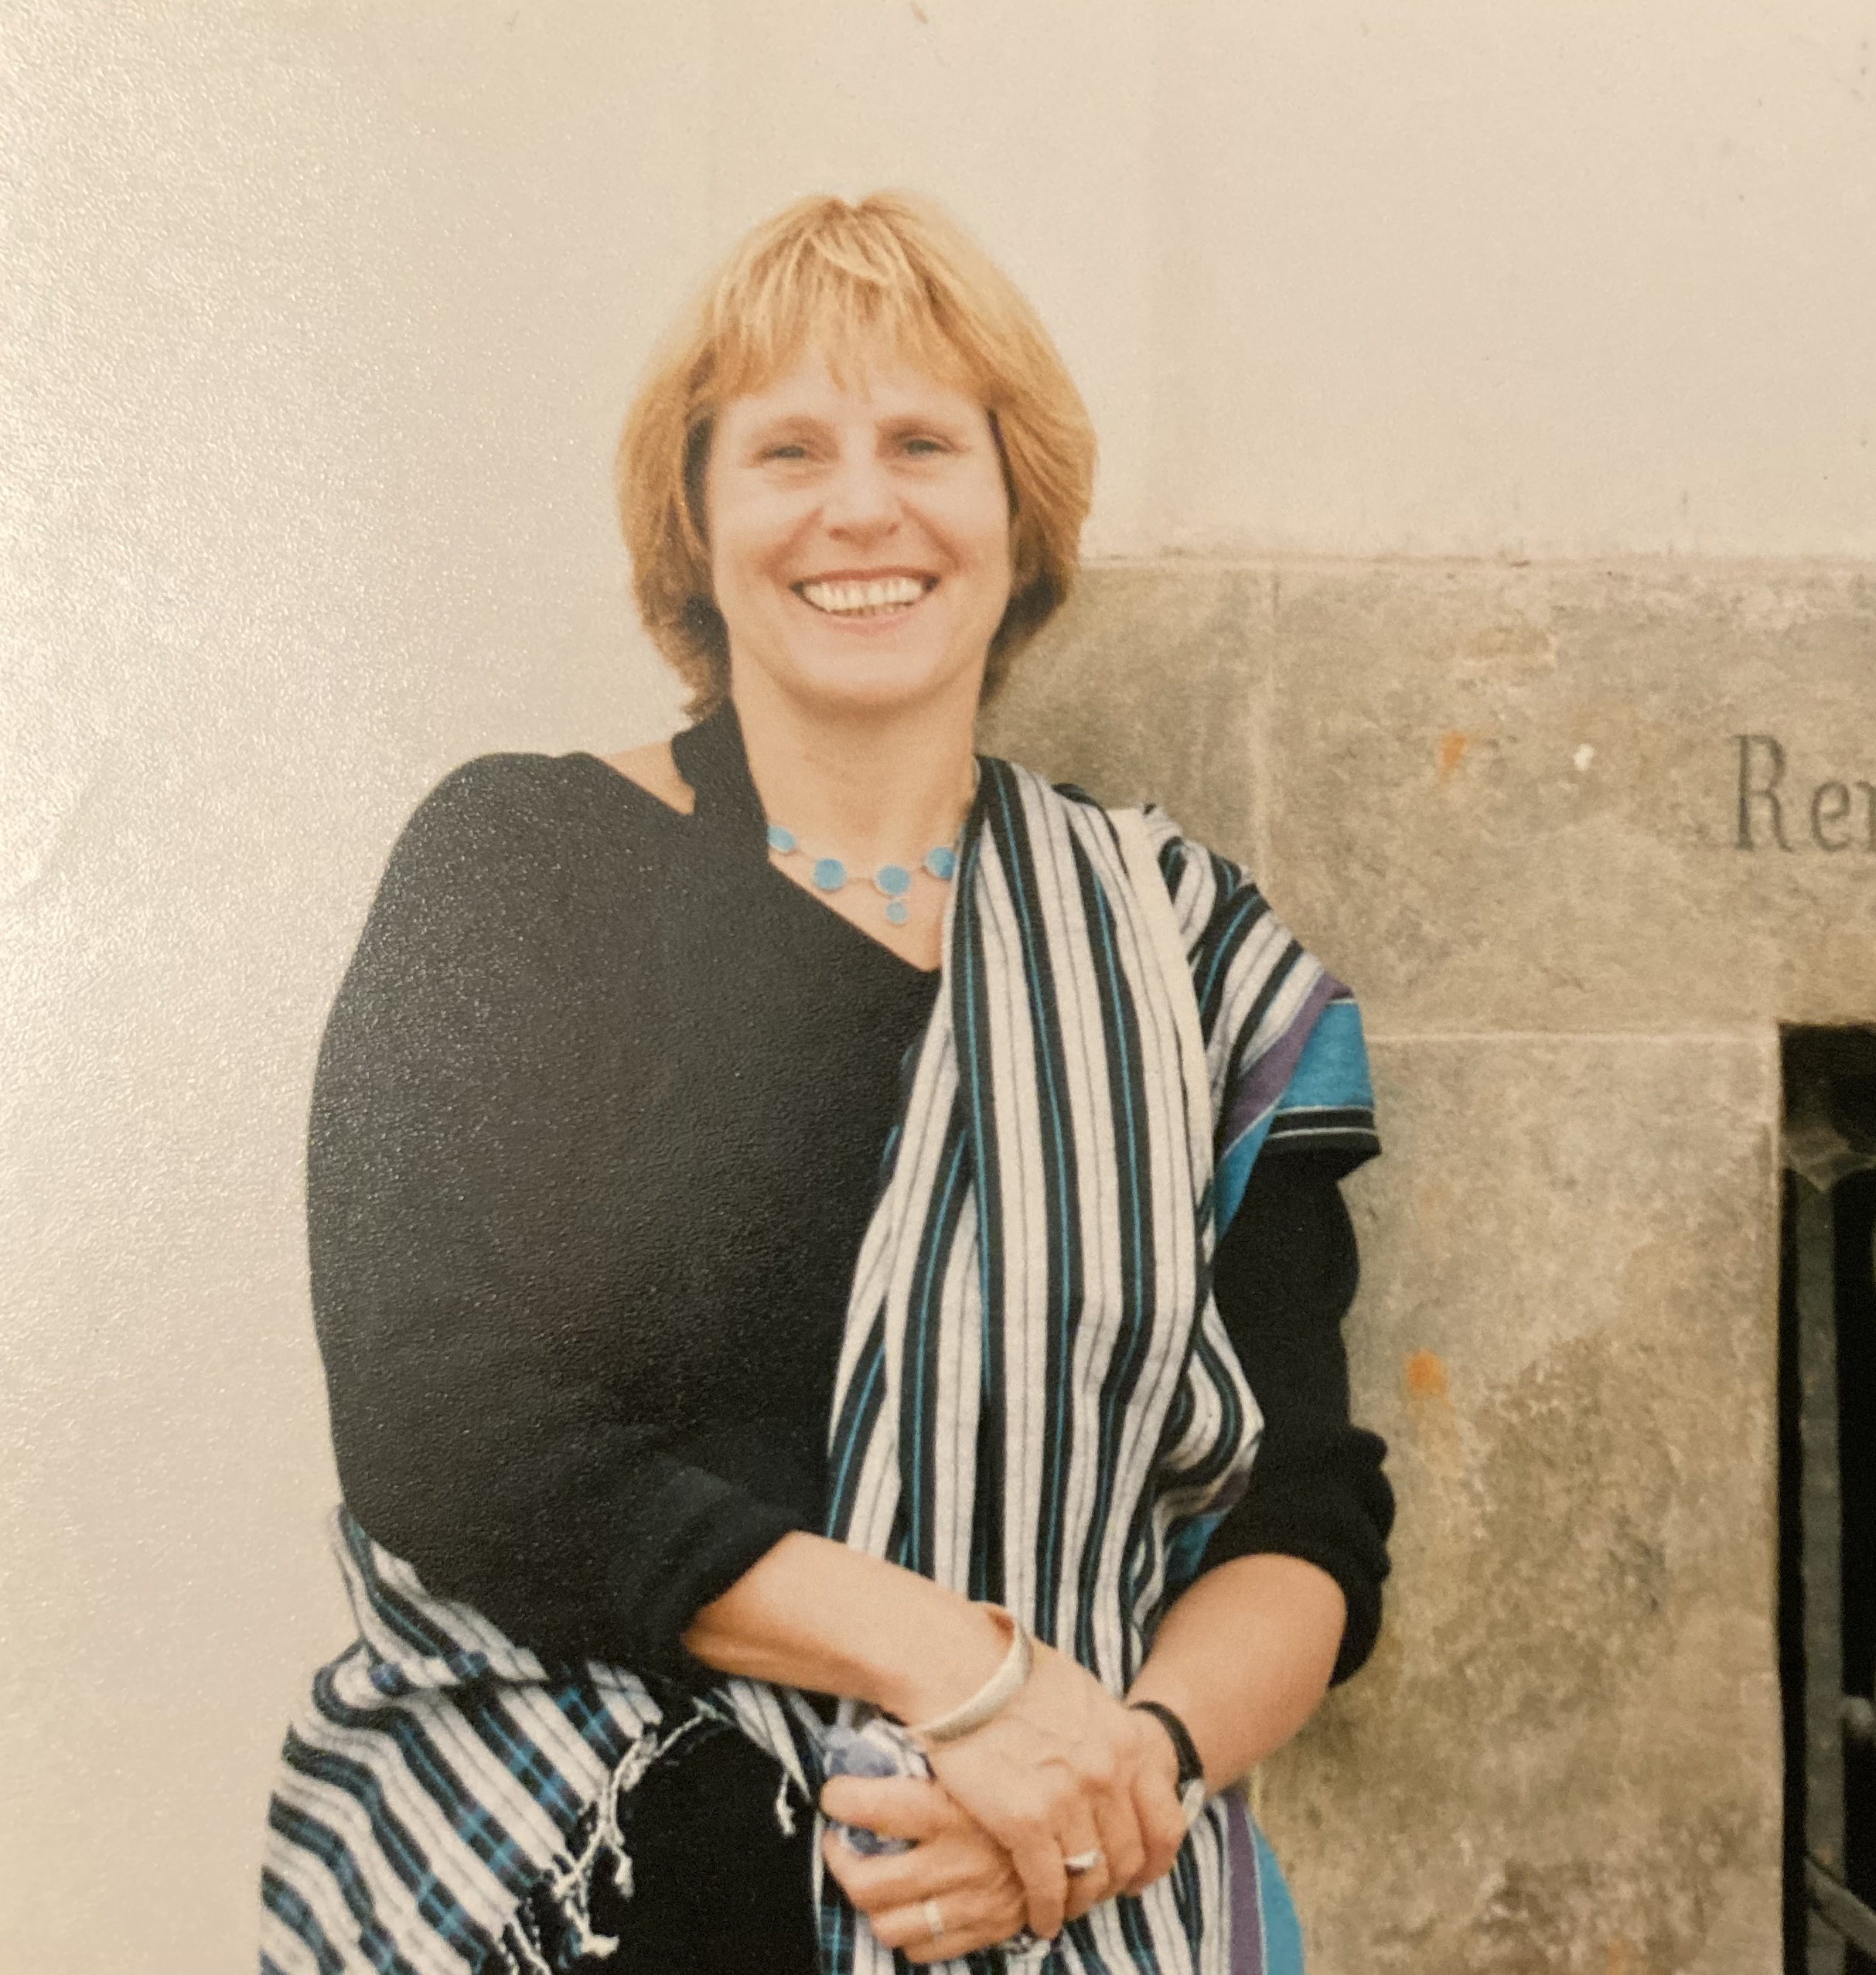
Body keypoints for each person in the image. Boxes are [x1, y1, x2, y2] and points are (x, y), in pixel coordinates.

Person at [261, 191, 1391, 1975]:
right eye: (788, 449)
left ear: (1018, 514)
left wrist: (1111, 1779)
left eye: (924, 444)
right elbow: (441, 1418)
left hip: (1068, 1894)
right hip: (602, 1894)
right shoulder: (520, 869)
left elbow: (1305, 1506)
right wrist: (966, 1672)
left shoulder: (1186, 960)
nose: (860, 507)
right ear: (695, 521)